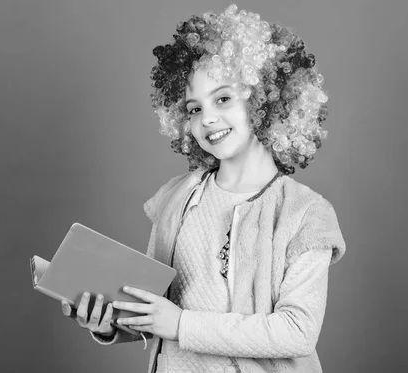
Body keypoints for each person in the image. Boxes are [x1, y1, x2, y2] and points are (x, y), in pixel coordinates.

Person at [61, 4, 346, 373]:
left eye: (223, 98)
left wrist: (182, 324)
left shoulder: (306, 214)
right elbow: (159, 310)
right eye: (193, 108)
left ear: (266, 99)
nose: (207, 118)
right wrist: (109, 323)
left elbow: (297, 331)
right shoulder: (179, 197)